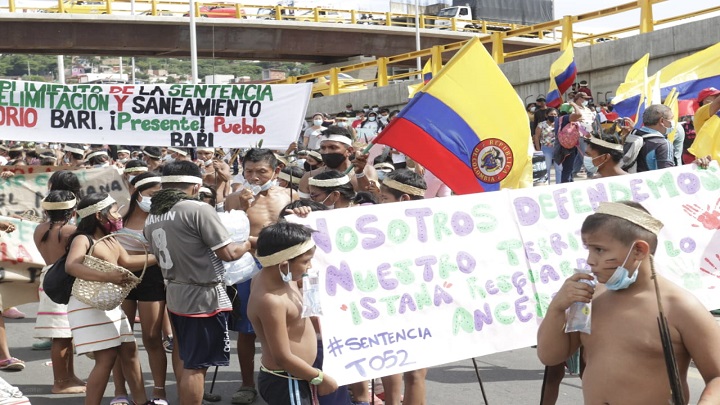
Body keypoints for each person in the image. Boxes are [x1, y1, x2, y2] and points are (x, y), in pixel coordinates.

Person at [537, 201, 720, 404]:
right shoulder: (592, 297)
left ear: (639, 250)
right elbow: (551, 356)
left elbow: (717, 377)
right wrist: (557, 308)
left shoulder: (680, 307)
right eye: (588, 249)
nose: (589, 260)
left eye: (599, 250)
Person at [144, 161, 251, 405]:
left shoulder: (153, 215)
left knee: (185, 357)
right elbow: (229, 254)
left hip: (176, 293)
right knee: (197, 365)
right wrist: (248, 244)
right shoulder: (197, 209)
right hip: (202, 298)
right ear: (196, 186)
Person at [65, 193, 152, 405]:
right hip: (88, 305)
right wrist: (108, 276)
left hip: (109, 304)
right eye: (113, 210)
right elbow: (72, 266)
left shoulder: (110, 239)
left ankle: (141, 402)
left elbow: (129, 260)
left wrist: (165, 256)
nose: (117, 215)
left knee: (129, 351)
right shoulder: (82, 238)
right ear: (98, 215)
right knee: (106, 358)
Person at [224, 149, 292, 405]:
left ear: (275, 171)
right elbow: (229, 235)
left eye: (261, 171)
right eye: (249, 171)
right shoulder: (233, 198)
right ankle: (246, 383)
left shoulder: (287, 196)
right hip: (246, 268)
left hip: (282, 267)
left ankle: (287, 376)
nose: (254, 177)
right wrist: (241, 207)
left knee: (286, 325)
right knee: (246, 330)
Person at [248, 222, 339, 404]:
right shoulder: (271, 301)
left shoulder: (281, 278)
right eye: (305, 261)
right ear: (283, 265)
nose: (309, 266)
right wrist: (319, 377)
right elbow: (282, 357)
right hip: (288, 380)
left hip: (297, 376)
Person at [112, 172, 169, 405]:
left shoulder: (162, 217)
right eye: (151, 194)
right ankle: (120, 392)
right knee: (121, 338)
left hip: (152, 278)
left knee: (152, 336)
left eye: (159, 195)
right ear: (138, 193)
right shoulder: (118, 216)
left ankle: (159, 392)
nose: (154, 199)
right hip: (121, 277)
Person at [376, 169, 429, 405]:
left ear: (404, 199)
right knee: (391, 364)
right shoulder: (374, 225)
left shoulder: (433, 226)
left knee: (415, 372)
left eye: (384, 199)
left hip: (418, 306)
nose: (380, 203)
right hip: (388, 306)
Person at [33, 191, 85, 393]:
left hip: (49, 279)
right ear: (72, 210)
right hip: (63, 283)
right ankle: (61, 382)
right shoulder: (71, 231)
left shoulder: (39, 229)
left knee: (65, 335)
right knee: (62, 336)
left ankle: (69, 377)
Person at [298, 127, 375, 198]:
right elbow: (304, 205)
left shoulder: (367, 171)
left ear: (349, 151)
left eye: (333, 147)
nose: (327, 152)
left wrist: (360, 174)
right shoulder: (310, 176)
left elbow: (370, 199)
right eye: (323, 148)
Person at [632, 104, 675, 172]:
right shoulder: (663, 144)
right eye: (671, 119)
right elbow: (667, 175)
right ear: (662, 121)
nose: (673, 122)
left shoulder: (633, 134)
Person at [534, 108, 561, 184]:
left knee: (559, 168)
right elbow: (536, 137)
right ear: (546, 115)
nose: (553, 116)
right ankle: (547, 185)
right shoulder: (541, 124)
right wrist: (538, 149)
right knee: (547, 168)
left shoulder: (559, 124)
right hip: (546, 149)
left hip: (558, 149)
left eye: (555, 114)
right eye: (551, 114)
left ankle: (559, 184)